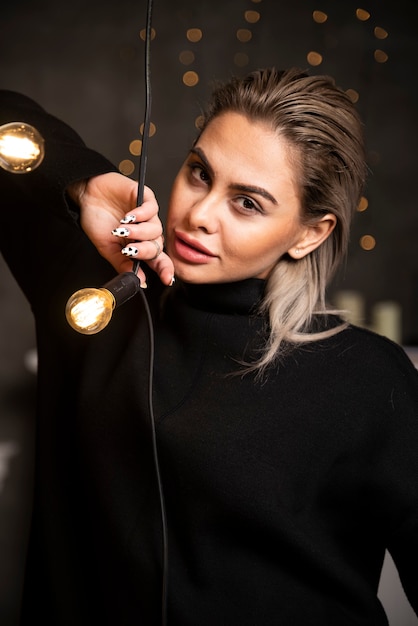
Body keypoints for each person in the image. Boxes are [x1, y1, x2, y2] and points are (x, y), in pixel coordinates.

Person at [0, 68, 417, 626]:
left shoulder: (367, 378)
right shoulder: (94, 297)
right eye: (200, 173)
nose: (199, 215)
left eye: (247, 203)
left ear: (309, 233)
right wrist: (85, 184)